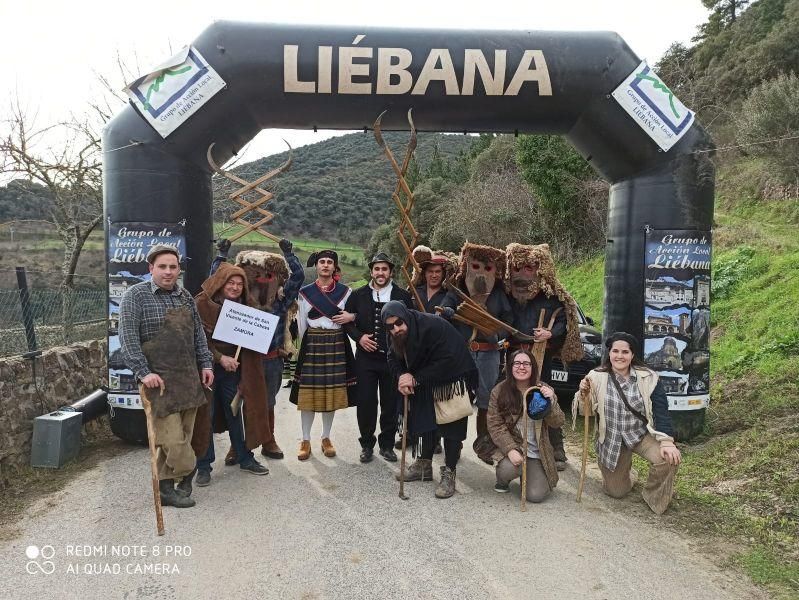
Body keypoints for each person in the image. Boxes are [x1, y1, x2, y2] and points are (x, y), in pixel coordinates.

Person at [119, 244, 214, 509]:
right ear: (151, 268)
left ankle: (166, 489)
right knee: (172, 440)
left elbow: (198, 337)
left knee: (181, 436)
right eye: (162, 267)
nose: (168, 272)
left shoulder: (184, 297)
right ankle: (189, 471)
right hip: (157, 382)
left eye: (173, 267)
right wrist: (144, 372)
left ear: (178, 269)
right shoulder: (134, 297)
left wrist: (206, 365)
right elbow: (127, 340)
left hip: (188, 379)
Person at [574, 331, 681, 515]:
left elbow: (660, 410)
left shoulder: (648, 377)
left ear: (632, 355)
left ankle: (653, 497)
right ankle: (629, 475)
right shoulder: (596, 376)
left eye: (625, 352)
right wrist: (583, 394)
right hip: (612, 439)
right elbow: (586, 412)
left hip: (640, 434)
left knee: (668, 459)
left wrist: (666, 442)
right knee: (616, 492)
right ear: (609, 353)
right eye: (615, 351)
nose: (619, 356)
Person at [382, 301, 478, 499]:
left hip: (453, 373)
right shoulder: (393, 333)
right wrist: (401, 376)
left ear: (405, 317)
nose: (396, 329)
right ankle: (424, 465)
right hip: (423, 377)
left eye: (399, 323)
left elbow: (448, 359)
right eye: (390, 326)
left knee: (452, 422)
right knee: (423, 419)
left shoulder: (432, 326)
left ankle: (450, 471)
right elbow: (392, 357)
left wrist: (415, 378)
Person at [505, 242, 584, 471]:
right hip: (513, 356)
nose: (522, 276)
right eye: (517, 269)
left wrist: (550, 333)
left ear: (540, 270)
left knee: (544, 396)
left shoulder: (551, 297)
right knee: (510, 398)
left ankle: (556, 447)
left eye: (529, 269)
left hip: (541, 357)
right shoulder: (509, 295)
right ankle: (512, 445)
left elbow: (565, 321)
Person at [192, 262, 269, 486]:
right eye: (231, 283)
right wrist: (219, 358)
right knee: (205, 414)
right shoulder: (201, 304)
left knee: (235, 413)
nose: (235, 287)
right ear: (221, 283)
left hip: (233, 369)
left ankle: (244, 457)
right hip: (206, 368)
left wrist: (241, 362)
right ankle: (203, 465)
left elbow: (252, 339)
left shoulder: (246, 307)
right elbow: (198, 340)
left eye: (239, 284)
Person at [441, 242, 512, 463]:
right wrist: (449, 313)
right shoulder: (457, 290)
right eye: (476, 266)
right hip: (463, 354)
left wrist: (497, 334)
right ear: (467, 266)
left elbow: (508, 323)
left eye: (488, 268)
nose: (481, 273)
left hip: (489, 354)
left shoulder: (499, 295)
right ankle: (455, 443)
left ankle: (483, 443)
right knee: (458, 397)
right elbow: (442, 312)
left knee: (486, 399)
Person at [234, 239, 304, 460]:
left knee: (268, 402)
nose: (264, 280)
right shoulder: (238, 302)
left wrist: (289, 254)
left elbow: (298, 277)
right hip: (244, 361)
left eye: (269, 276)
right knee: (240, 400)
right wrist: (221, 255)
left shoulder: (280, 304)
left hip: (272, 360)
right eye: (257, 275)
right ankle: (237, 445)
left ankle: (268, 440)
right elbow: (219, 280)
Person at [344, 252, 413, 463]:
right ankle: (366, 444)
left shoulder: (402, 295)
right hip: (365, 359)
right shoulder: (358, 295)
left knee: (390, 403)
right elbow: (346, 321)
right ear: (371, 271)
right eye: (377, 269)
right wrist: (359, 337)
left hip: (393, 358)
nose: (380, 273)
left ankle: (386, 444)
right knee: (366, 402)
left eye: (384, 269)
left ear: (390, 272)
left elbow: (410, 323)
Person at [289, 250, 357, 460]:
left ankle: (326, 437)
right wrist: (300, 348)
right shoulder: (305, 293)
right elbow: (301, 323)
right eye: (322, 262)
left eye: (329, 262)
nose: (326, 265)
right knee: (308, 394)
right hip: (313, 344)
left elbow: (351, 319)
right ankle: (305, 439)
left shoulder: (347, 292)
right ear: (317, 266)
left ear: (334, 267)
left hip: (336, 342)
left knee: (331, 393)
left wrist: (353, 315)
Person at [486, 350, 564, 502]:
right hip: (514, 448)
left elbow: (558, 422)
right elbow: (495, 425)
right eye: (517, 363)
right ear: (510, 366)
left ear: (533, 367)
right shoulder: (499, 391)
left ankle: (528, 476)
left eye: (526, 363)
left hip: (535, 451)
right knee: (508, 469)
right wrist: (510, 450)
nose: (521, 367)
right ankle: (503, 479)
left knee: (535, 496)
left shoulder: (543, 389)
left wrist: (551, 402)